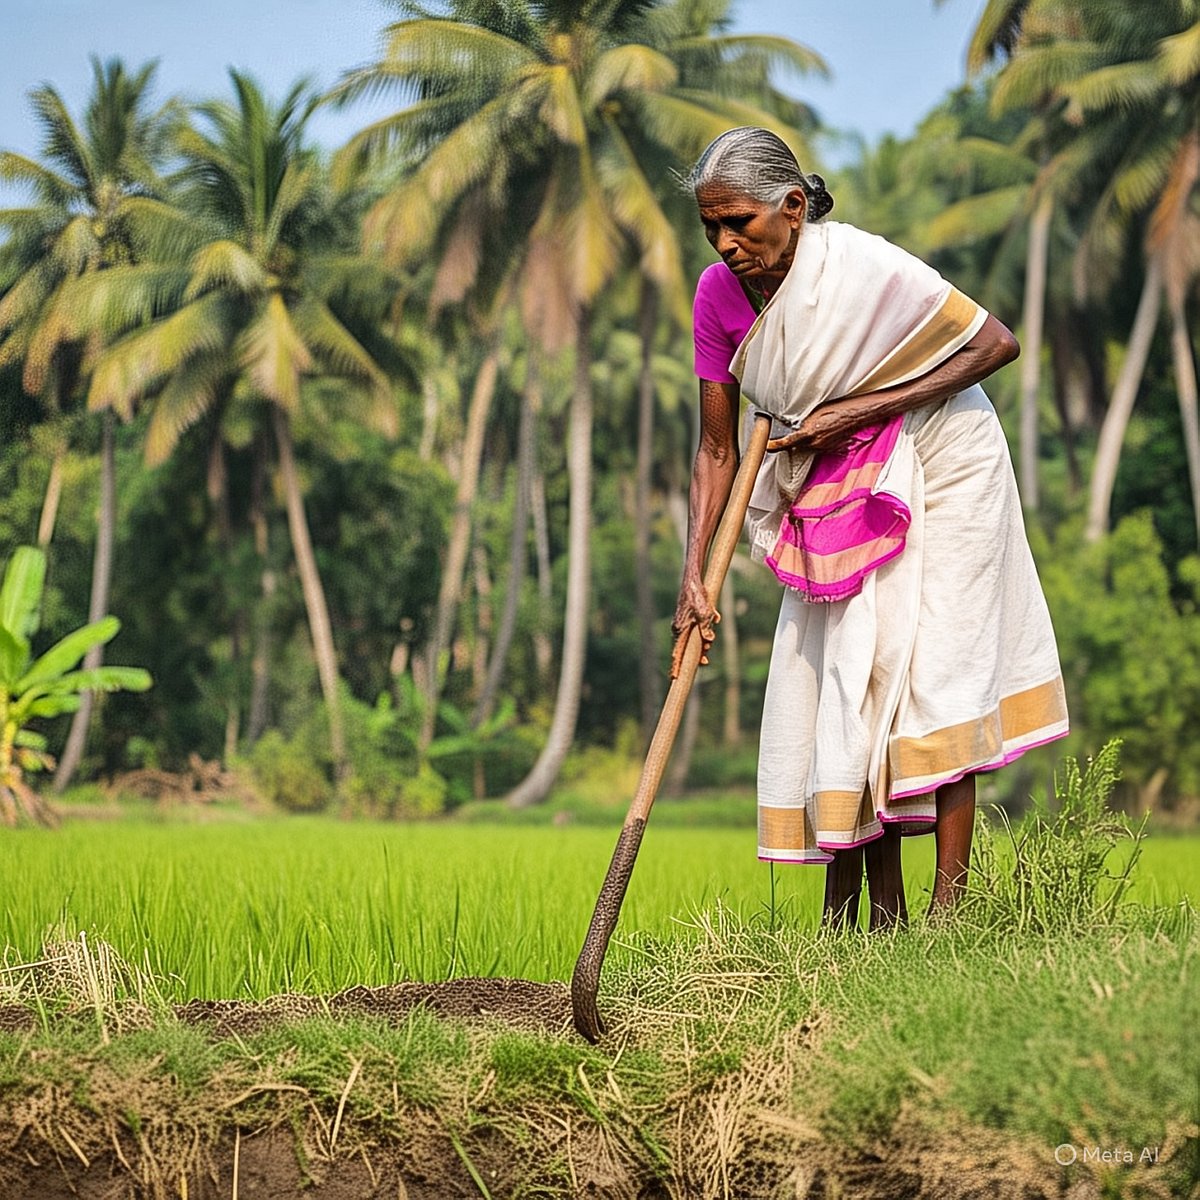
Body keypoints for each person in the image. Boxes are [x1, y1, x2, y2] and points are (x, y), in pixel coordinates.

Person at [673, 127, 1069, 929]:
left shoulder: (859, 265)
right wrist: (695, 575)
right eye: (711, 226)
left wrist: (860, 408)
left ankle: (949, 915)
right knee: (857, 669)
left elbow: (995, 342)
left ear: (791, 208)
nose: (725, 242)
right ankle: (878, 914)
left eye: (739, 223)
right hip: (836, 472)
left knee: (939, 671)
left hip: (945, 455)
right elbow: (717, 446)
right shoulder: (717, 296)